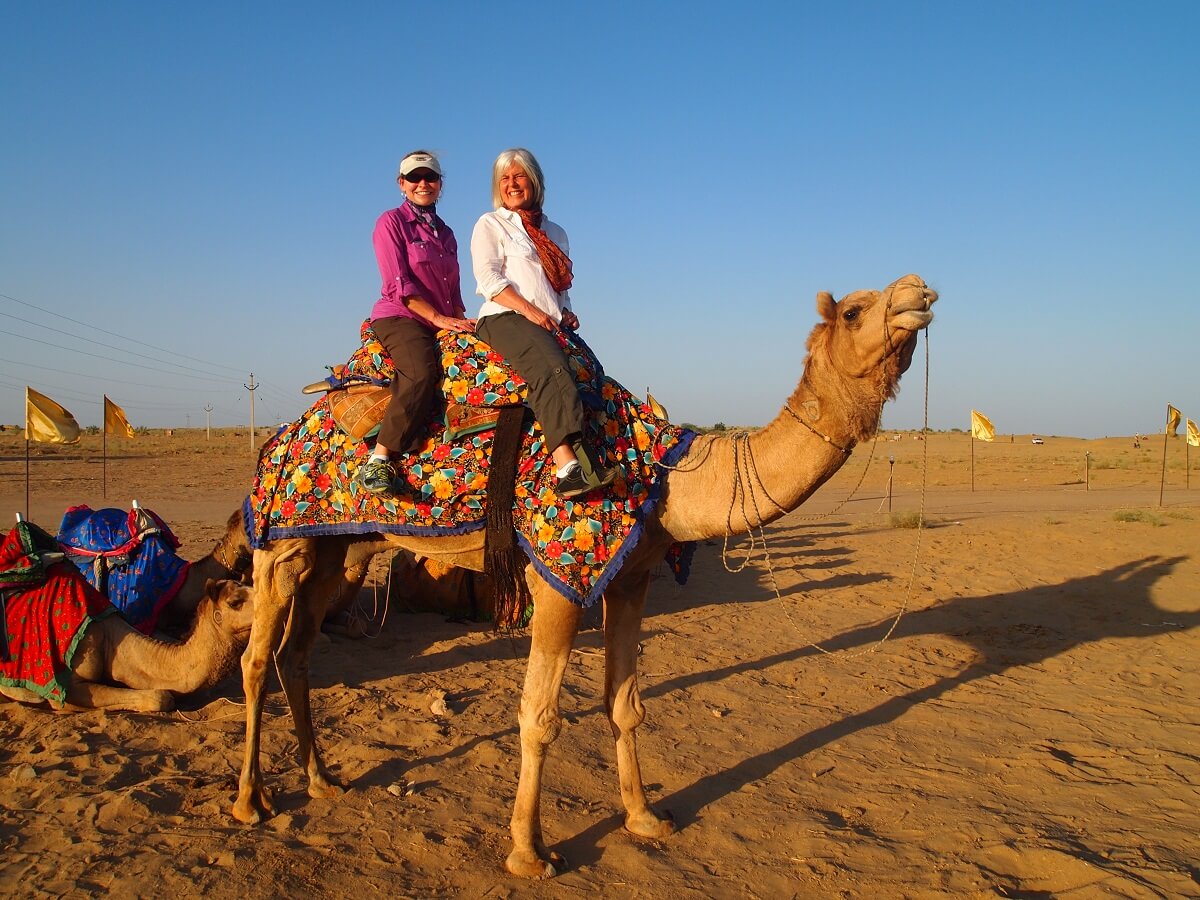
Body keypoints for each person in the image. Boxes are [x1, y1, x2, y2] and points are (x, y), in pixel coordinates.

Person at [470, 148, 616, 499]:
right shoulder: (491, 224)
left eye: (518, 176)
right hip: (505, 316)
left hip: (547, 322)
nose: (512, 184)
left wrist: (564, 311)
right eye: (504, 178)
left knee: (594, 376)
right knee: (552, 369)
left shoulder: (554, 231)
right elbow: (487, 278)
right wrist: (530, 310)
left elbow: (558, 285)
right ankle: (567, 466)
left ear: (534, 180)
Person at [357, 150, 476, 496]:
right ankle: (379, 459)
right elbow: (399, 285)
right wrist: (440, 318)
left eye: (430, 178)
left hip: (441, 319)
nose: (423, 183)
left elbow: (453, 289)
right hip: (401, 316)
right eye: (415, 178)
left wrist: (460, 320)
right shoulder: (390, 223)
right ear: (402, 184)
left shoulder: (448, 234)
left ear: (440, 185)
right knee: (421, 372)